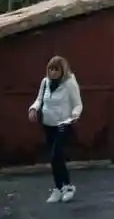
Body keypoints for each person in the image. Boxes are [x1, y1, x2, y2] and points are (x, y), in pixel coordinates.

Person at [27, 56, 82, 203]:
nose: (52, 72)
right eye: (50, 69)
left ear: (62, 70)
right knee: (56, 159)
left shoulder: (70, 83)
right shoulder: (45, 82)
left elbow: (78, 104)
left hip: (63, 124)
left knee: (55, 156)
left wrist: (75, 114)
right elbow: (39, 99)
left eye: (56, 69)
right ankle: (59, 188)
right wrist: (33, 108)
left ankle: (68, 187)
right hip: (48, 124)